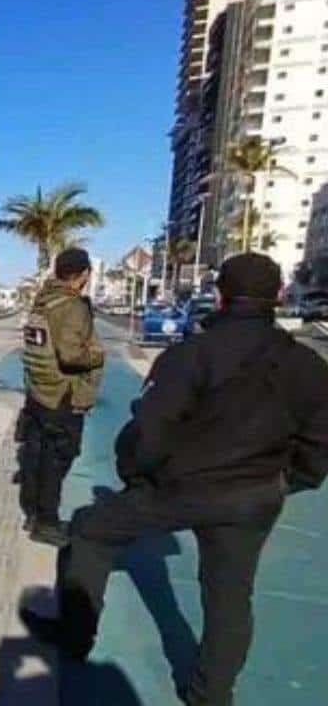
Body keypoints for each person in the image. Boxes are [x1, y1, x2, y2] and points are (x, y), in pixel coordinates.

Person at [23, 253, 328, 706]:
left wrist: (138, 477)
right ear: (278, 296)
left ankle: (75, 638)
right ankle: (211, 695)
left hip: (178, 490)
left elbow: (147, 431)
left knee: (89, 529)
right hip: (254, 496)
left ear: (221, 295)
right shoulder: (308, 366)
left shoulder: (189, 356)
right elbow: (319, 444)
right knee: (229, 598)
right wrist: (287, 483)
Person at [16, 247, 104, 546]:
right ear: (83, 275)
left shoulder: (42, 301)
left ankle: (33, 513)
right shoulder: (72, 306)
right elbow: (70, 354)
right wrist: (96, 355)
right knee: (58, 458)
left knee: (36, 455)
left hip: (39, 392)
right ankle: (48, 522)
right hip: (62, 396)